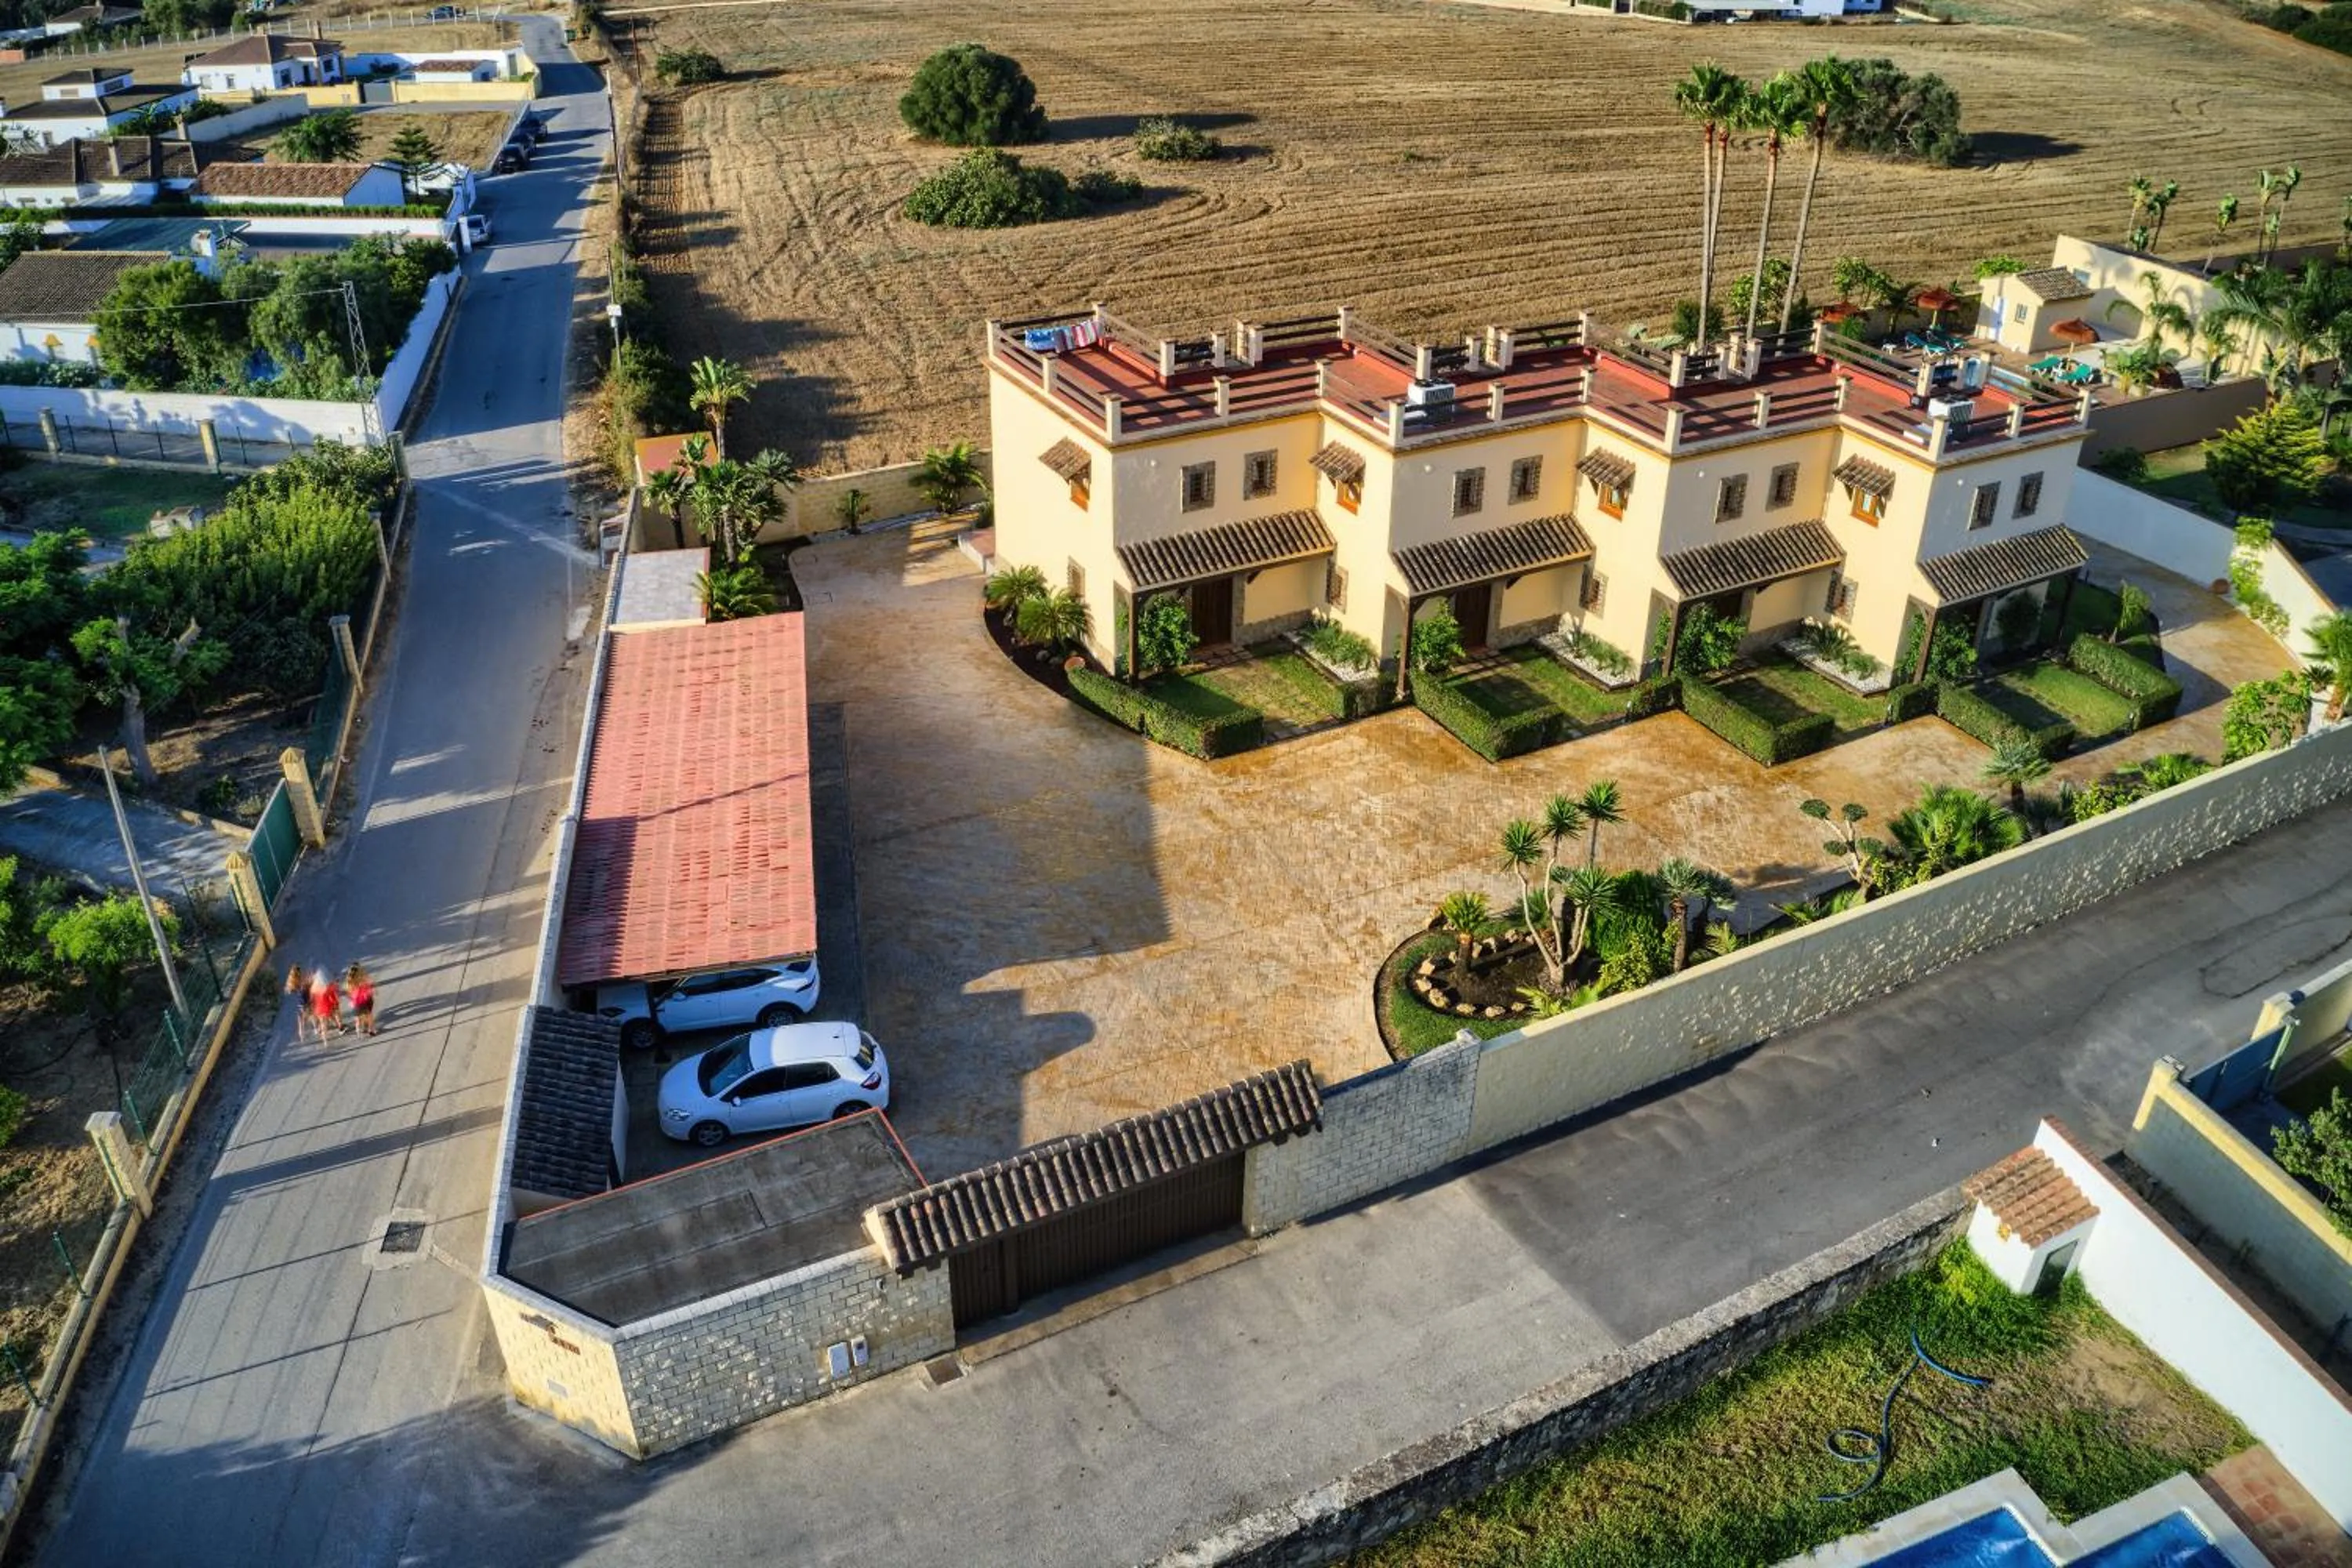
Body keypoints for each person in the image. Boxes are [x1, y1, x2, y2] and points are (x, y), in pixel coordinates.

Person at [286, 964, 316, 1043]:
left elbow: (289, 991)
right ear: (299, 972)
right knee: (312, 1015)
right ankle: (316, 1029)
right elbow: (308, 986)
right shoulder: (302, 981)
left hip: (299, 1005)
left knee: (301, 1022)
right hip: (306, 1002)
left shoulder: (291, 982)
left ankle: (302, 1037)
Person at [347, 963, 377, 1037]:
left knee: (358, 1018)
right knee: (369, 1015)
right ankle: (371, 1030)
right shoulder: (362, 978)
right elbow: (370, 985)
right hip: (366, 999)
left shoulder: (349, 981)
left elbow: (349, 993)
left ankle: (360, 1032)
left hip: (356, 1003)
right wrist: (372, 989)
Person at [311, 968, 343, 1037]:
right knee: (335, 1015)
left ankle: (320, 1029)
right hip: (331, 1003)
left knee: (328, 1017)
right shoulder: (329, 986)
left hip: (321, 1006)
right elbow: (333, 994)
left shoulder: (316, 987)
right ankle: (340, 1028)